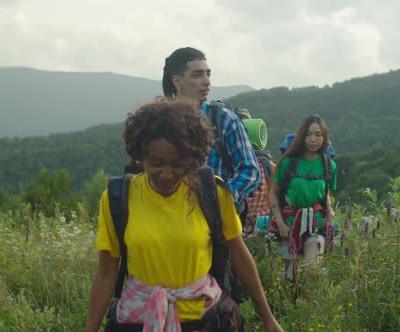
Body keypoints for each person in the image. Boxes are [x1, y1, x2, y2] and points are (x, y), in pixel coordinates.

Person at [85, 99, 283, 332]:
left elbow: (240, 256)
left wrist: (269, 319)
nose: (167, 174)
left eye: (178, 164)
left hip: (204, 320)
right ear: (140, 155)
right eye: (156, 163)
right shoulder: (118, 198)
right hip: (138, 320)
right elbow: (107, 273)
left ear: (193, 159)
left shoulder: (213, 194)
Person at [162, 47, 260, 222]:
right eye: (197, 75)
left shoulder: (222, 119)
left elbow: (250, 170)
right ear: (177, 80)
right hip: (169, 217)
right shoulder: (159, 121)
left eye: (208, 74)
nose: (207, 81)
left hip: (214, 222)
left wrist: (220, 199)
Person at [268, 115, 336, 280]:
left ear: (324, 137)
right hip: (289, 225)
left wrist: (330, 213)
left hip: (316, 225)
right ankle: (294, 305)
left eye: (318, 135)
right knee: (291, 279)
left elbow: (326, 194)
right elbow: (273, 194)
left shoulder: (329, 165)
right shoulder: (288, 163)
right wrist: (280, 223)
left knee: (311, 271)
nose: (313, 139)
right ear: (301, 136)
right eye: (308, 134)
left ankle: (310, 305)